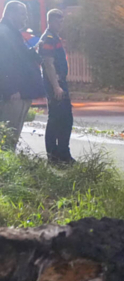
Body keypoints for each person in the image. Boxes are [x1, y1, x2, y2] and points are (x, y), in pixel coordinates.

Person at [0, 1, 45, 152]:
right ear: (11, 13)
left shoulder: (11, 33)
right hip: (13, 95)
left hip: (20, 93)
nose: (25, 18)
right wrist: (11, 89)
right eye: (22, 14)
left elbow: (18, 58)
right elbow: (4, 63)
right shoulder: (4, 32)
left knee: (12, 135)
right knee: (8, 135)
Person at [36, 9, 75, 165]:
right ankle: (54, 156)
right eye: (59, 20)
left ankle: (62, 153)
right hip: (55, 84)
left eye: (62, 20)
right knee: (57, 119)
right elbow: (48, 64)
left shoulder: (54, 37)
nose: (61, 23)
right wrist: (56, 86)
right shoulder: (49, 38)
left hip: (58, 83)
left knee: (65, 119)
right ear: (51, 21)